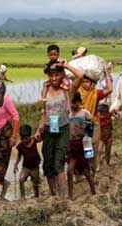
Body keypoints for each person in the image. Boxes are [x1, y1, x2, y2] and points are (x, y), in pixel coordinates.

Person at [34, 61, 84, 197]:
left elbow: (80, 76)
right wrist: (39, 129)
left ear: (62, 74)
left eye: (57, 74)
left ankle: (63, 195)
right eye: (51, 75)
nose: (54, 78)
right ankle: (54, 195)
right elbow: (44, 113)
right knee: (48, 164)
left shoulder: (67, 90)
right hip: (49, 130)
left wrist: (66, 65)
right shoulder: (45, 90)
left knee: (59, 163)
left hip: (62, 129)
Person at [78, 63, 113, 171]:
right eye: (83, 82)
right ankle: (81, 170)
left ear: (92, 82)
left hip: (90, 124)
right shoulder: (77, 93)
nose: (85, 84)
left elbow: (109, 89)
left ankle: (91, 169)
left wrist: (106, 72)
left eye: (87, 82)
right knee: (79, 149)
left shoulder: (96, 93)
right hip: (78, 124)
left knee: (90, 149)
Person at [67, 91, 97, 200]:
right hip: (71, 143)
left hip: (82, 143)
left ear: (79, 102)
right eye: (71, 103)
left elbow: (90, 128)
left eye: (75, 103)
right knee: (69, 171)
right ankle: (70, 195)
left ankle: (94, 192)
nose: (73, 105)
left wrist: (87, 138)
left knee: (86, 171)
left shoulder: (85, 113)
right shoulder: (69, 113)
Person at [13, 125, 41, 199]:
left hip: (35, 167)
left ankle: (36, 195)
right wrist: (15, 164)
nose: (24, 140)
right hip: (26, 167)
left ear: (30, 136)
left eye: (26, 138)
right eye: (22, 138)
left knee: (35, 183)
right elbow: (19, 156)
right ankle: (23, 196)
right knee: (21, 179)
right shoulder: (20, 146)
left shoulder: (34, 140)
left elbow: (40, 138)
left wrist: (39, 131)